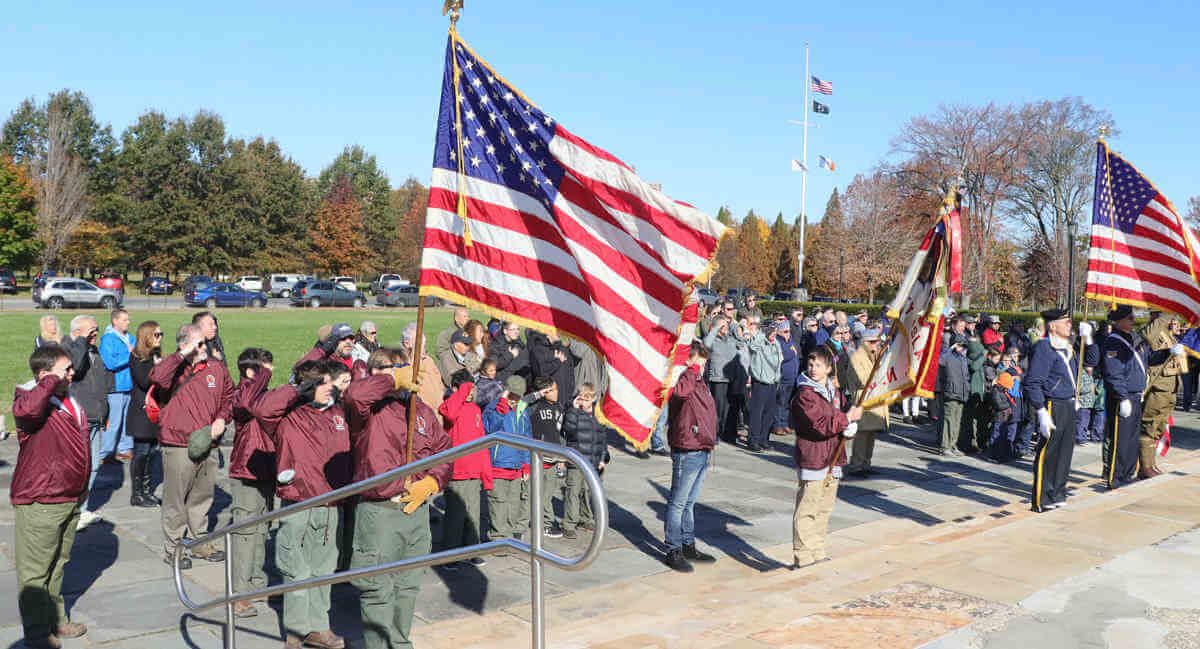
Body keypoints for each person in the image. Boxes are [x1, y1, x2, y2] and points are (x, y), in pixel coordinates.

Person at [345, 353, 451, 649]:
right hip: (380, 511)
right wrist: (391, 380)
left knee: (408, 586)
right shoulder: (367, 412)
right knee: (377, 587)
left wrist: (432, 481)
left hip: (416, 510)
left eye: (401, 368)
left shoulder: (422, 412)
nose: (396, 374)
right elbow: (355, 395)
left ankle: (400, 643)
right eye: (384, 369)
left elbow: (444, 452)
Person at [254, 360, 350, 649]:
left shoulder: (337, 412)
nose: (328, 388)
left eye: (328, 382)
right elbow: (261, 409)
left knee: (324, 569)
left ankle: (319, 626)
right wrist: (299, 388)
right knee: (296, 569)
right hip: (298, 500)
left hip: (331, 502)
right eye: (320, 383)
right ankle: (296, 630)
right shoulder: (288, 415)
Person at [11, 346, 90, 648]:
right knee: (35, 572)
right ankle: (36, 634)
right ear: (45, 375)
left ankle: (56, 619)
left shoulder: (64, 398)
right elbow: (27, 411)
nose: (72, 373)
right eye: (65, 368)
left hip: (68, 497)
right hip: (42, 499)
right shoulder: (29, 397)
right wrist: (48, 381)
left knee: (58, 563)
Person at [149, 324, 232, 567]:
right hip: (177, 443)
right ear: (184, 344)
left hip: (208, 441)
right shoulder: (173, 368)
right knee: (175, 499)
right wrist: (182, 354)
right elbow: (156, 378)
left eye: (205, 342)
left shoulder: (216, 369)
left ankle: (199, 542)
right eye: (199, 344)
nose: (204, 347)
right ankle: (173, 548)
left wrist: (222, 418)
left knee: (202, 497)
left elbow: (230, 397)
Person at [790, 346, 863, 570]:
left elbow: (842, 412)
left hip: (834, 455)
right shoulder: (805, 394)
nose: (813, 369)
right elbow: (819, 426)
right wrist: (845, 419)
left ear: (829, 369)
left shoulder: (834, 391)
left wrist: (849, 423)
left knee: (824, 508)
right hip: (814, 456)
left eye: (818, 365)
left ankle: (817, 548)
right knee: (808, 507)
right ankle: (802, 553)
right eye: (811, 364)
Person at [227, 347, 276, 618]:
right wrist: (263, 376)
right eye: (265, 369)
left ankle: (255, 581)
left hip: (267, 469)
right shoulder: (242, 393)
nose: (271, 373)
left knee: (262, 529)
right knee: (246, 532)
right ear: (250, 372)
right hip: (246, 470)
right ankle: (239, 593)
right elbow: (246, 404)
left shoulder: (260, 392)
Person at [663, 342, 719, 573]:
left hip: (701, 447)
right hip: (687, 448)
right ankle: (673, 548)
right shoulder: (685, 377)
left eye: (704, 363)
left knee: (689, 503)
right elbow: (680, 394)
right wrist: (692, 369)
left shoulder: (699, 382)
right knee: (678, 502)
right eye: (700, 362)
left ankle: (687, 543)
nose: (702, 367)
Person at [1023, 307, 1077, 513]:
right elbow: (1033, 382)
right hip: (1052, 404)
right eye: (1066, 322)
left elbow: (1090, 362)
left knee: (1065, 452)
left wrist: (1089, 342)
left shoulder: (1067, 346)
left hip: (1069, 403)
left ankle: (1058, 492)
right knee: (1049, 452)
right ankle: (1042, 498)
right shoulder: (1045, 347)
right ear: (1053, 326)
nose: (1070, 325)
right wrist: (1041, 411)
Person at [439, 370, 493, 569]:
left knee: (473, 513)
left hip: (474, 471)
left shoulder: (475, 410)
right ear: (457, 389)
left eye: (472, 388)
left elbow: (481, 443)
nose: (471, 392)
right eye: (467, 388)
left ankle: (472, 550)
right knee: (455, 515)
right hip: (457, 472)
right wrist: (459, 393)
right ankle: (449, 555)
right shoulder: (450, 405)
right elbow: (449, 413)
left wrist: (486, 474)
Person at [64, 315, 112, 530]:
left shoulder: (94, 350)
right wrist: (81, 341)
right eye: (91, 331)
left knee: (92, 466)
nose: (95, 334)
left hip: (95, 417)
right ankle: (69, 511)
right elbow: (75, 367)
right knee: (76, 467)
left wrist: (106, 412)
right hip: (77, 419)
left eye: (96, 330)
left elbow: (101, 383)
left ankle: (81, 510)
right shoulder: (67, 349)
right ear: (77, 332)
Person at [1102, 305, 1150, 489]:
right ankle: (1117, 478)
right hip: (1123, 397)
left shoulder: (1133, 339)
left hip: (1136, 395)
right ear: (1119, 320)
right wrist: (1122, 397)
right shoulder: (1114, 342)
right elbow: (1114, 372)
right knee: (1121, 439)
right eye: (1130, 318)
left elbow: (1146, 361)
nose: (1133, 320)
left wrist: (1167, 352)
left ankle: (1128, 474)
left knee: (1132, 438)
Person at [483, 375, 534, 546]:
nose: (515, 400)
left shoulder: (522, 410)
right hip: (498, 465)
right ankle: (498, 537)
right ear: (505, 393)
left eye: (518, 397)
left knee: (514, 503)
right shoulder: (494, 408)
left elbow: (526, 438)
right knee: (498, 503)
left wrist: (526, 464)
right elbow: (490, 428)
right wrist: (502, 407)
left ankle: (509, 537)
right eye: (512, 396)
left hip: (517, 466)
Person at [1138, 315, 1185, 479]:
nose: (1174, 321)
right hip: (1158, 387)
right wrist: (1165, 314)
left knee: (1159, 427)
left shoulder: (1169, 334)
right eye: (1171, 317)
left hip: (1170, 388)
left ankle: (1150, 463)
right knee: (1150, 425)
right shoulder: (1154, 331)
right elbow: (1149, 337)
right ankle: (1145, 466)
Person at [562, 382, 612, 538]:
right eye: (581, 398)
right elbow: (568, 430)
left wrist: (604, 458)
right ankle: (569, 523)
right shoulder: (573, 412)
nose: (583, 402)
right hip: (577, 460)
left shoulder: (599, 415)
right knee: (573, 491)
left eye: (587, 399)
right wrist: (574, 409)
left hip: (594, 460)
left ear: (594, 398)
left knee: (590, 492)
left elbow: (602, 438)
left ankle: (586, 517)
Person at [126, 321, 163, 508]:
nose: (160, 338)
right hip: (141, 413)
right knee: (141, 454)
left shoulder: (155, 356)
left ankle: (147, 491)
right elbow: (143, 381)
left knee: (151, 454)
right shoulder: (138, 357)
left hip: (154, 411)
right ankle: (137, 494)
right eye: (156, 334)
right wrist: (158, 368)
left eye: (161, 334)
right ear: (147, 336)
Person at [844, 325, 887, 476]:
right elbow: (863, 380)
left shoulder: (873, 356)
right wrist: (878, 372)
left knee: (871, 435)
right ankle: (856, 465)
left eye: (877, 342)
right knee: (861, 436)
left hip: (873, 400)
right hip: (863, 400)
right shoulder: (857, 357)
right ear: (865, 342)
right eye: (873, 342)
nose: (877, 344)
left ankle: (866, 463)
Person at [528, 377, 566, 538]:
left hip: (554, 458)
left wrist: (562, 457)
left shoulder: (559, 407)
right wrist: (537, 395)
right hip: (537, 458)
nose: (557, 392)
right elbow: (520, 404)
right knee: (539, 494)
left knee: (548, 494)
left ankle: (546, 521)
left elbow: (560, 434)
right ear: (544, 392)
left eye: (556, 388)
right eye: (553, 389)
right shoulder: (534, 406)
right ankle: (546, 523)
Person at [99, 308, 136, 462]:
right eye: (124, 319)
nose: (128, 322)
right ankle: (104, 452)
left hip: (130, 384)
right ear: (115, 321)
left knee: (127, 419)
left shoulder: (131, 338)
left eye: (128, 319)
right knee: (114, 421)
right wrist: (129, 354)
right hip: (115, 386)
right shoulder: (108, 339)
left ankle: (124, 448)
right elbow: (110, 363)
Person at [703, 314, 743, 444]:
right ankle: (712, 433)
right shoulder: (712, 340)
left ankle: (724, 433)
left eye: (726, 325)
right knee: (717, 409)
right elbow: (706, 343)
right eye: (722, 325)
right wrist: (716, 328)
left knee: (727, 410)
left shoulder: (730, 339)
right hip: (717, 379)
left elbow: (742, 344)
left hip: (730, 379)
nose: (725, 327)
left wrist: (734, 327)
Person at [745, 318, 782, 451]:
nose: (775, 334)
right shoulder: (759, 342)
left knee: (769, 413)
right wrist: (762, 334)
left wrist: (777, 378)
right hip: (760, 383)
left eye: (776, 331)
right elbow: (751, 346)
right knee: (757, 413)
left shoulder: (776, 343)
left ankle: (763, 439)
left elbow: (779, 361)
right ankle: (752, 440)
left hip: (772, 383)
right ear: (766, 330)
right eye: (772, 331)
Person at [528, 330, 578, 411]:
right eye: (555, 331)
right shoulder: (537, 350)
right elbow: (541, 373)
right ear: (547, 334)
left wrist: (570, 393)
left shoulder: (563, 349)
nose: (559, 333)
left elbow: (570, 373)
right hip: (548, 401)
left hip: (565, 399)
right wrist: (557, 362)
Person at [401, 322, 446, 410]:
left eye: (424, 343)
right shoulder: (403, 365)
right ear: (407, 343)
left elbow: (440, 385)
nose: (424, 346)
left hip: (438, 415)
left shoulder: (429, 361)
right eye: (420, 343)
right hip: (421, 417)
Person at [937, 334, 970, 456]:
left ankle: (953, 445)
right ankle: (945, 446)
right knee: (948, 420)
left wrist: (967, 390)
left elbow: (966, 377)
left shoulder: (963, 358)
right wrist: (950, 348)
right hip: (950, 392)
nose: (962, 348)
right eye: (960, 345)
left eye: (963, 346)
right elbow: (940, 360)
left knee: (957, 421)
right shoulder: (947, 356)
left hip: (961, 393)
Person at [775, 321, 801, 435]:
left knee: (786, 403)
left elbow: (796, 352)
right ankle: (777, 425)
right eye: (785, 331)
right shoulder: (778, 342)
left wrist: (793, 351)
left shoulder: (790, 341)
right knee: (779, 402)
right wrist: (792, 352)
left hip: (792, 378)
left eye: (789, 331)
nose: (788, 334)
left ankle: (784, 423)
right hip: (783, 378)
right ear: (779, 332)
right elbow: (783, 356)